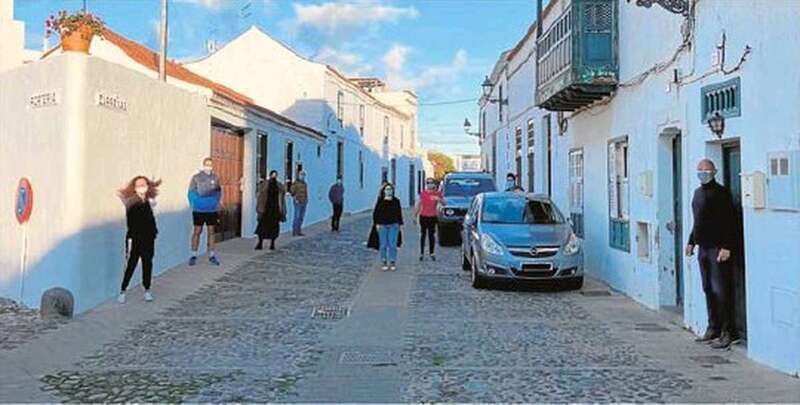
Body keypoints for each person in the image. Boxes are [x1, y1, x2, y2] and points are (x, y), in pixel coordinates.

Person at [685, 158, 739, 350]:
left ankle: (728, 331)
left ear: (714, 172)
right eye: (700, 170)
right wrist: (691, 241)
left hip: (718, 248)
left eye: (706, 170)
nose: (703, 173)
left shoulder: (722, 194)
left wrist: (727, 246)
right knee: (707, 288)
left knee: (721, 290)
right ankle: (713, 327)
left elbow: (731, 222)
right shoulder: (697, 194)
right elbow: (697, 221)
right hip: (703, 248)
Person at [117, 176, 161, 304]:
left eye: (144, 184)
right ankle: (123, 290)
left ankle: (147, 289)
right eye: (139, 185)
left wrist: (153, 232)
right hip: (136, 238)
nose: (142, 187)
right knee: (131, 264)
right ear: (134, 188)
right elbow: (132, 222)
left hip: (149, 238)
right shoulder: (132, 202)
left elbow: (150, 219)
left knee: (148, 263)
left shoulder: (146, 201)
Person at [188, 157, 222, 266]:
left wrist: (215, 203)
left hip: (211, 211)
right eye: (207, 164)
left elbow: (218, 192)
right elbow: (191, 192)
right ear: (203, 165)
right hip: (199, 210)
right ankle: (193, 255)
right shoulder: (196, 177)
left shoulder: (216, 178)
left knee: (211, 232)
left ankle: (212, 255)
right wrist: (196, 203)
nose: (208, 166)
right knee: (197, 231)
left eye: (210, 164)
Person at [372, 183, 404, 271]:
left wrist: (399, 224)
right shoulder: (380, 201)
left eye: (390, 189)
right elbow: (376, 213)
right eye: (387, 189)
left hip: (394, 225)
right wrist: (377, 224)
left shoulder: (396, 201)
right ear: (383, 191)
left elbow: (399, 213)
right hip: (382, 225)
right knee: (383, 244)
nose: (389, 191)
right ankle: (384, 261)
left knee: (392, 244)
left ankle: (392, 261)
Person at [255, 170, 286, 250]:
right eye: (272, 175)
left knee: (274, 228)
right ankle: (260, 243)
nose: (274, 176)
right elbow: (260, 197)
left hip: (275, 210)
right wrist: (259, 209)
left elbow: (282, 200)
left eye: (275, 175)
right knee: (262, 227)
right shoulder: (265, 185)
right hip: (266, 209)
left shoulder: (279, 186)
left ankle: (272, 244)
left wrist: (283, 211)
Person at [414, 178, 443, 261]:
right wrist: (415, 216)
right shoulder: (423, 194)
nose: (430, 185)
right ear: (426, 185)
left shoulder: (437, 194)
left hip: (433, 216)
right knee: (423, 234)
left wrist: (439, 199)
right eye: (428, 183)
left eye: (431, 183)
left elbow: (444, 203)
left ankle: (432, 252)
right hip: (423, 216)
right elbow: (419, 204)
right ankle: (421, 253)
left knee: (431, 235)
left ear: (434, 185)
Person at [290, 170, 309, 236]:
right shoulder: (295, 183)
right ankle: (294, 231)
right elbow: (292, 192)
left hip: (304, 201)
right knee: (297, 216)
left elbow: (306, 192)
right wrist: (295, 197)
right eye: (301, 175)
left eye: (303, 175)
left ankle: (299, 230)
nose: (302, 176)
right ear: (298, 175)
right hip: (297, 202)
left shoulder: (305, 184)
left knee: (301, 217)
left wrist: (306, 199)